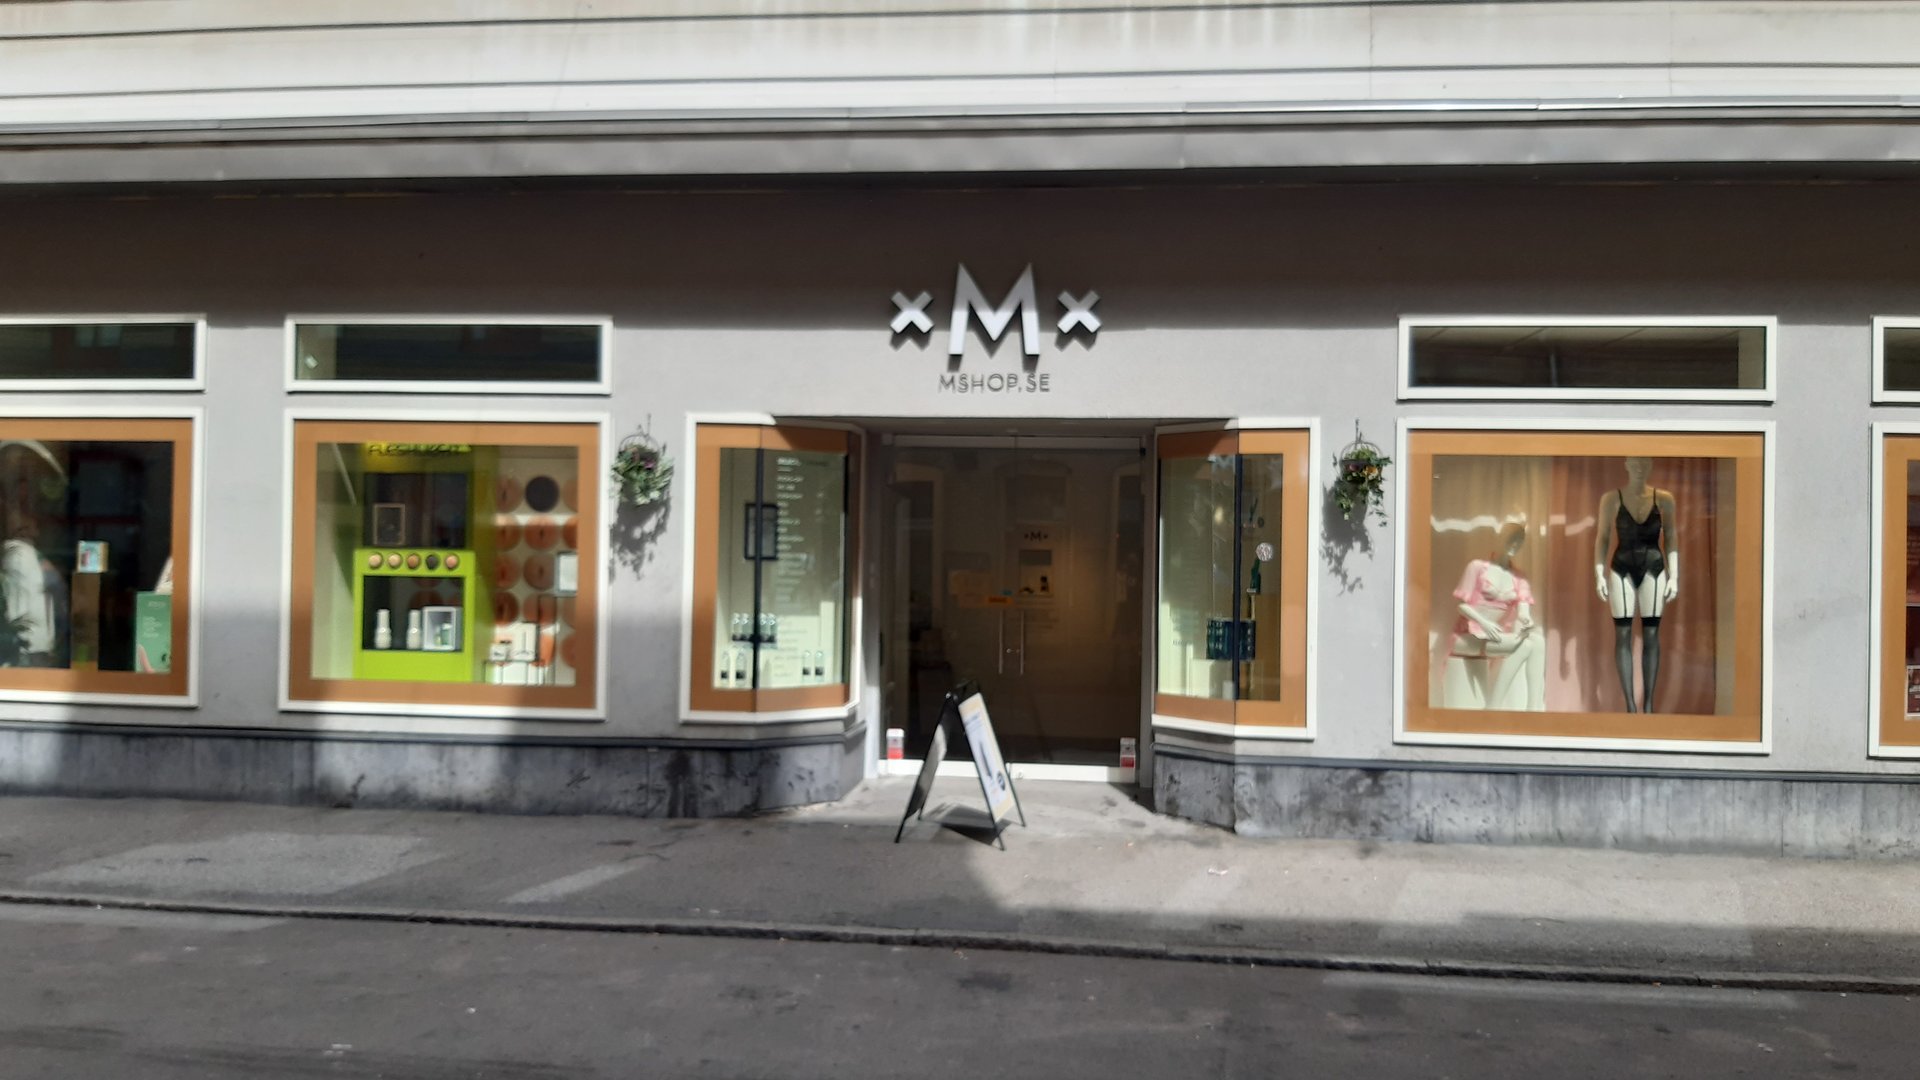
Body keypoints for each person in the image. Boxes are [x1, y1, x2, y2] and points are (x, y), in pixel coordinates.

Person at [1594, 456, 1678, 713]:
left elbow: (1671, 536)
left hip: (1654, 567)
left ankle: (1649, 704)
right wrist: (1598, 574)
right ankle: (1630, 705)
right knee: (1622, 633)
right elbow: (1602, 537)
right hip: (1621, 569)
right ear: (1626, 466)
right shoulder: (1611, 499)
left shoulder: (1664, 499)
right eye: (1635, 464)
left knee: (1651, 634)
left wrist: (1675, 576)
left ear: (1651, 466)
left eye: (1644, 464)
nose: (1640, 468)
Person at [1442, 522, 1546, 711]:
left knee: (1538, 641)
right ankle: (1493, 705)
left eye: (1520, 541)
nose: (1515, 545)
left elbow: (1524, 610)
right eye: (1511, 539)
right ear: (1500, 537)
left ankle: (1534, 706)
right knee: (1524, 646)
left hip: (1494, 636)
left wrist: (1526, 620)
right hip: (1468, 636)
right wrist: (1484, 622)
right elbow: (1462, 606)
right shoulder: (1477, 567)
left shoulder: (1519, 577)